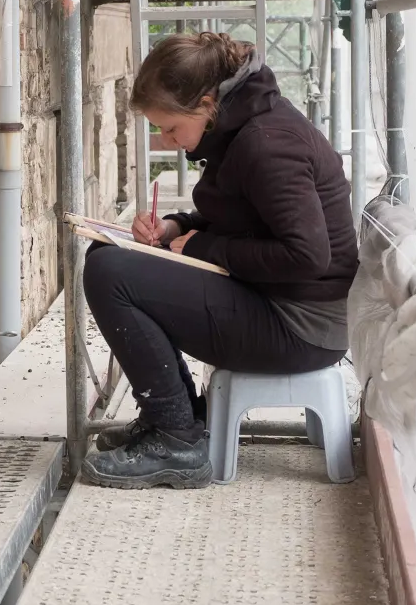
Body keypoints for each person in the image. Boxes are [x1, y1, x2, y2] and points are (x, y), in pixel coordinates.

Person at [80, 32, 357, 489]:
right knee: (109, 254)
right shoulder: (243, 129)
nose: (168, 141)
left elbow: (307, 255)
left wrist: (202, 248)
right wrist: (172, 228)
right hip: (278, 304)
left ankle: (175, 438)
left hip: (301, 325)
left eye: (171, 127)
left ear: (207, 103)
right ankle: (177, 417)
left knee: (112, 272)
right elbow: (243, 218)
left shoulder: (268, 145)